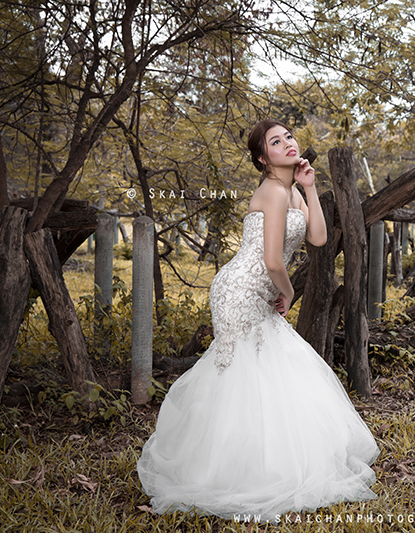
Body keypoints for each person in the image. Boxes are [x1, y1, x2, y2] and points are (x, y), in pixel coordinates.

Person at [137, 119, 379, 522]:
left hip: (262, 288)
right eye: (275, 141)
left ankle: (269, 461)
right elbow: (270, 261)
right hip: (239, 290)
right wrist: (288, 292)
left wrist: (310, 187)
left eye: (289, 137)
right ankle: (225, 469)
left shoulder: (291, 192)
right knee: (241, 374)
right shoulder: (270, 191)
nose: (287, 143)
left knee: (272, 369)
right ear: (262, 158)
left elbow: (318, 238)